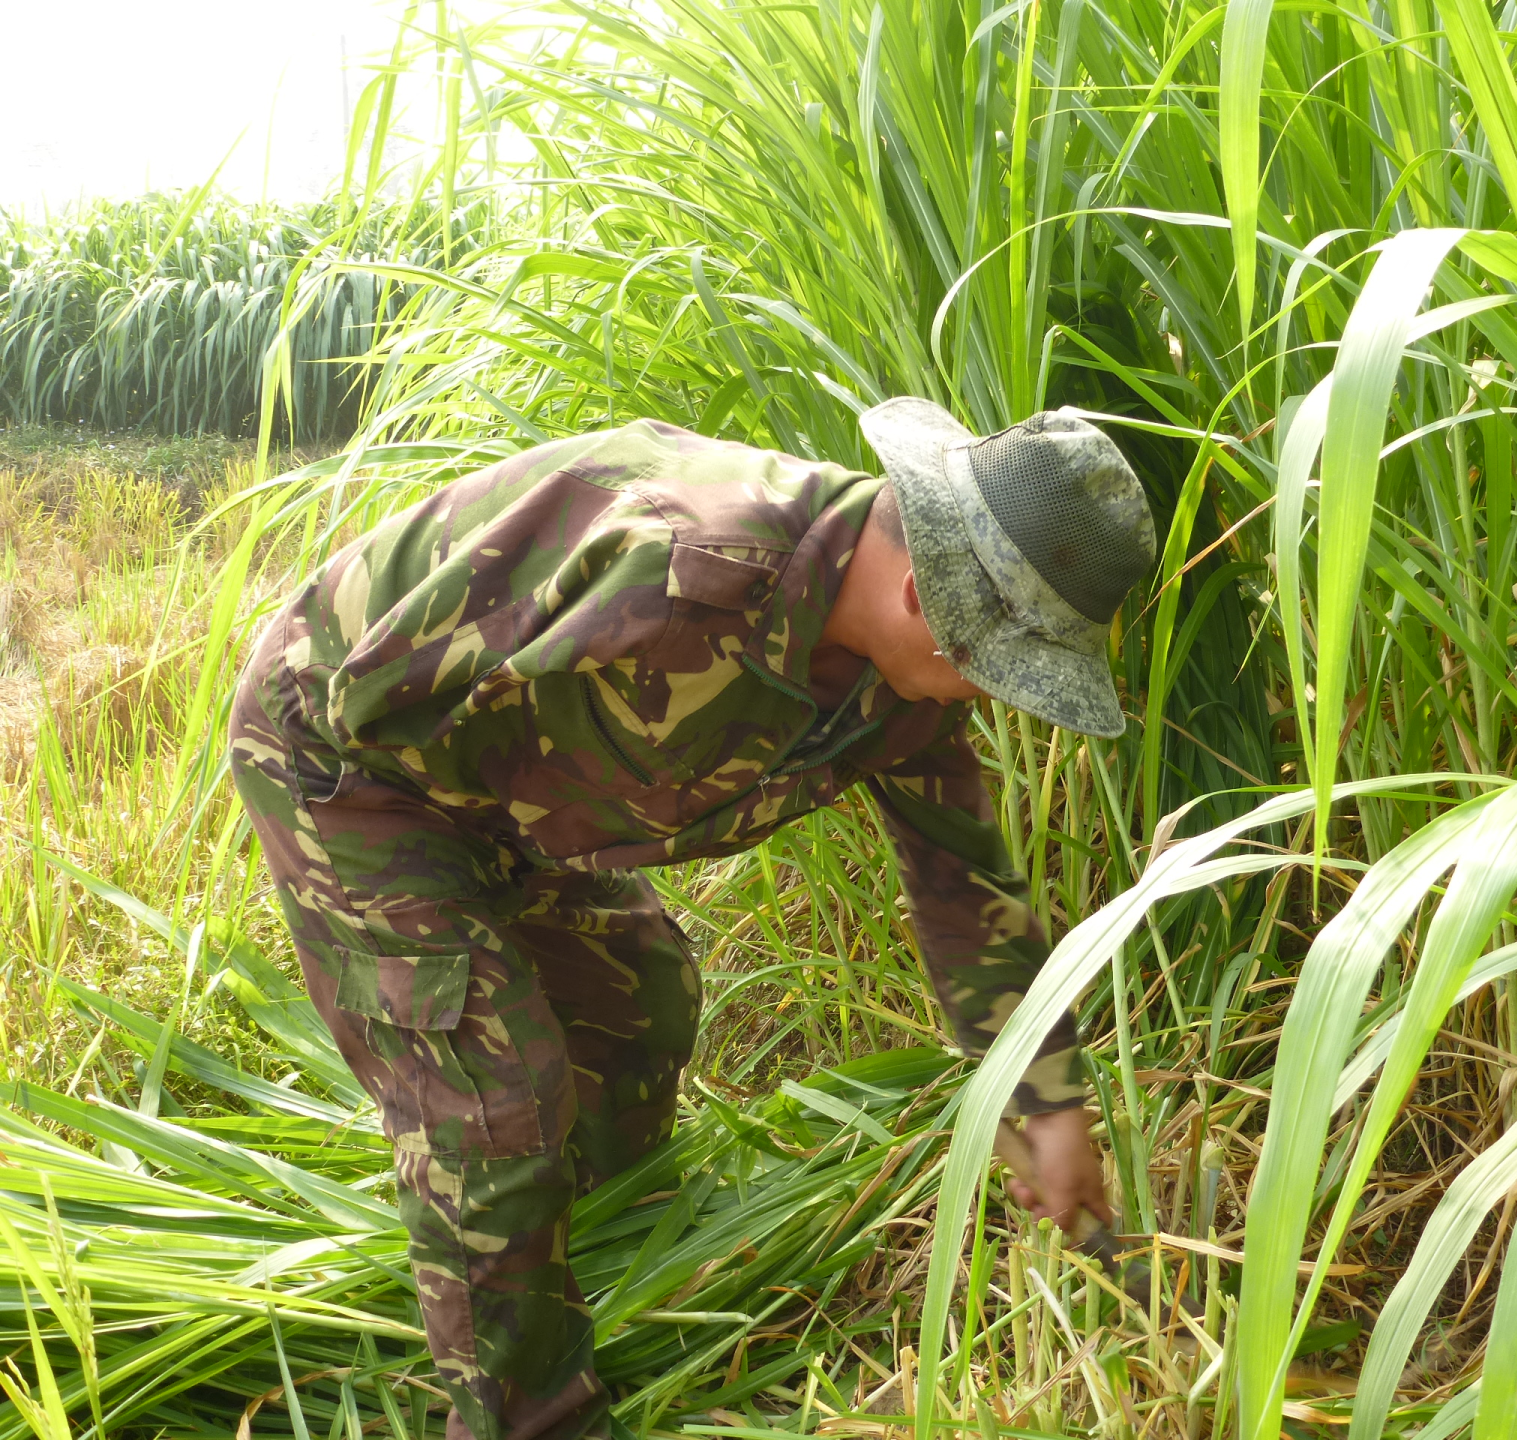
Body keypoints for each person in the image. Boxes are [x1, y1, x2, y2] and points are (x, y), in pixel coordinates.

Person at [227, 397, 1160, 1440]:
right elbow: (363, 685)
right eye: (997, 671)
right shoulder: (673, 569)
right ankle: (525, 1408)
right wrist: (429, 970)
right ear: (921, 596)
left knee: (646, 998)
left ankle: (598, 1248)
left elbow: (964, 886)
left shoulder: (906, 692)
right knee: (495, 1107)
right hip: (352, 759)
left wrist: (1051, 1101)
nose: (993, 699)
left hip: (507, 793)